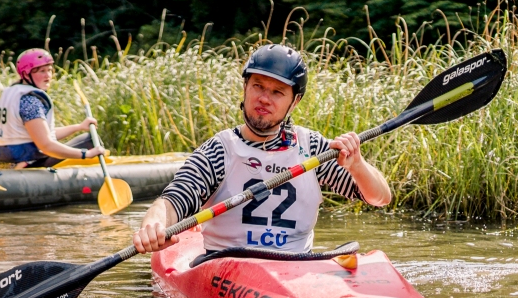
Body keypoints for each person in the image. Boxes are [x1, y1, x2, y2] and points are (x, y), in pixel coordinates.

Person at [134, 43, 392, 254]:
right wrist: (154, 225)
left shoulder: (313, 148)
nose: (264, 99)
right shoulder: (220, 150)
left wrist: (357, 165)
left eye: (278, 92)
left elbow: (379, 198)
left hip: (297, 268)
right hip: (225, 265)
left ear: (295, 101)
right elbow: (175, 198)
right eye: (258, 86)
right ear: (245, 88)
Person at [0, 48, 105, 169]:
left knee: (85, 138)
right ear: (26, 74)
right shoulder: (30, 101)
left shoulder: (14, 93)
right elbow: (46, 145)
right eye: (42, 71)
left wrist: (77, 127)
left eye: (50, 70)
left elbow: (41, 134)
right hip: (29, 163)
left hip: (10, 162)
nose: (48, 75)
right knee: (89, 140)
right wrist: (86, 154)